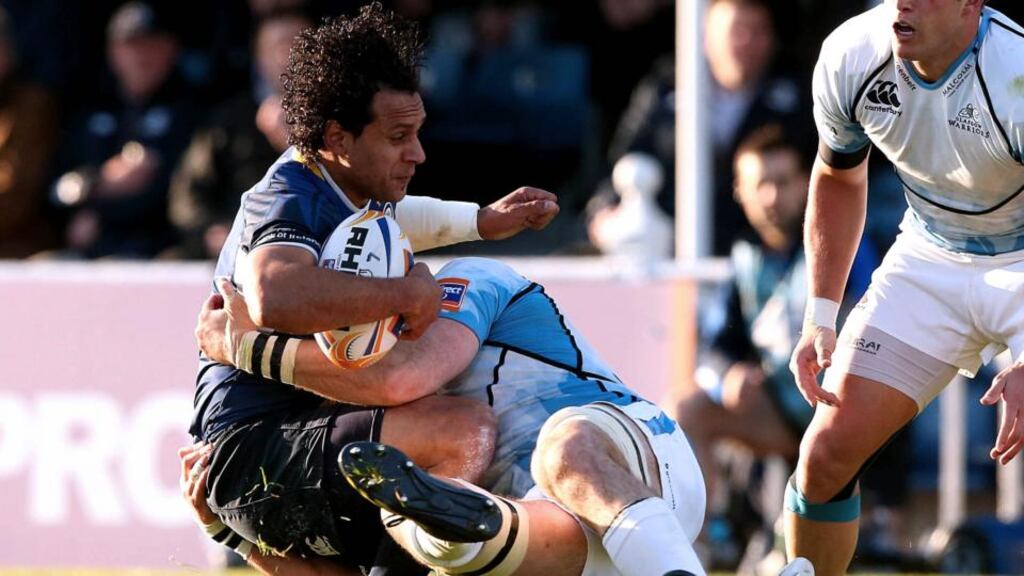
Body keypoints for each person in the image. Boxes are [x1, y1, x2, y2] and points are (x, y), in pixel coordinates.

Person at [190, 3, 558, 572]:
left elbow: (399, 217)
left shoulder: (347, 186)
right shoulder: (288, 192)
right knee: (460, 431)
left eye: (418, 132)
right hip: (255, 445)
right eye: (398, 136)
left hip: (275, 448)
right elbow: (273, 294)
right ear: (337, 135)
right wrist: (403, 296)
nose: (418, 153)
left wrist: (480, 221)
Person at [193, 257, 710, 576]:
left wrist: (246, 347)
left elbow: (407, 376)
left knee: (562, 451)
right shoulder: (382, 431)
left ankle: (449, 529)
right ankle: (451, 531)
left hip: (641, 461)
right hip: (566, 544)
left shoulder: (473, 278)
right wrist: (232, 535)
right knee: (449, 537)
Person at [787, 1, 1024, 574]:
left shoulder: (1016, 73)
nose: (902, 4)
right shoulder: (851, 54)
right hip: (928, 258)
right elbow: (838, 177)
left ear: (972, 3)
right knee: (823, 457)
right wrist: (819, 316)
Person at [676, 125, 877, 568]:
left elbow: (876, 325)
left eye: (782, 182)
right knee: (691, 410)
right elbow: (715, 348)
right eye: (760, 184)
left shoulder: (847, 245)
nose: (771, 196)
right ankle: (696, 548)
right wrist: (728, 374)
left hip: (847, 405)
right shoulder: (745, 259)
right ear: (739, 191)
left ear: (806, 182)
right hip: (786, 405)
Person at [587, 0, 808, 257]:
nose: (747, 42)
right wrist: (603, 212)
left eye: (759, 31)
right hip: (671, 253)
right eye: (737, 31)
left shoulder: (797, 100)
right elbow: (627, 160)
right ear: (705, 38)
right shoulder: (665, 89)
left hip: (766, 258)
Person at [51, 0, 201, 258]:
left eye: (151, 44)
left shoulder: (192, 111)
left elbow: (179, 193)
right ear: (113, 51)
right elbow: (54, 189)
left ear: (171, 48)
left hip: (160, 248)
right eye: (130, 45)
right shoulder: (91, 108)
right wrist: (98, 181)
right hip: (89, 249)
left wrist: (102, 213)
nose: (141, 56)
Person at [168, 9, 313, 260]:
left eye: (299, 44)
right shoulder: (230, 119)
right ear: (258, 57)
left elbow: (353, 192)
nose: (289, 55)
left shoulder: (342, 118)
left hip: (315, 244)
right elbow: (188, 193)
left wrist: (296, 146)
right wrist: (210, 230)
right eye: (278, 46)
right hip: (236, 248)